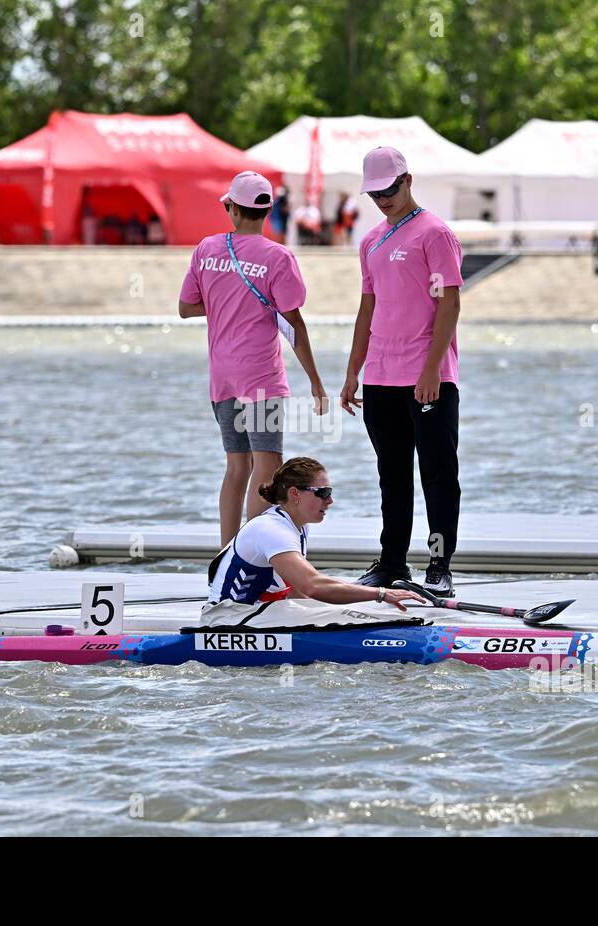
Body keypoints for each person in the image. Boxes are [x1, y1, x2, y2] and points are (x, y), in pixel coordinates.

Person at [179, 171, 328, 547]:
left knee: (236, 467)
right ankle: (256, 554)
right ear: (268, 210)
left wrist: (223, 302)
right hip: (261, 378)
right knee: (268, 468)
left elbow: (185, 308)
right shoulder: (278, 257)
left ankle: (226, 555)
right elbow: (293, 322)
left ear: (231, 208)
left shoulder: (207, 249)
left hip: (222, 378)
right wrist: (315, 381)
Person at [340, 146, 464, 596]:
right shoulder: (370, 240)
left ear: (407, 180)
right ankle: (392, 562)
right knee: (391, 475)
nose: (383, 199)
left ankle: (439, 563)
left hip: (427, 377)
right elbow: (366, 308)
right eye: (374, 193)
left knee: (437, 473)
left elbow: (449, 302)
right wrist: (353, 372)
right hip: (380, 376)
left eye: (389, 189)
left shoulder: (435, 234)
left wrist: (431, 370)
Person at [202, 457, 424, 628]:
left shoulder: (296, 525)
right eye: (323, 493)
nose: (330, 500)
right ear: (294, 493)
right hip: (228, 620)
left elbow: (300, 592)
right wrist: (381, 593)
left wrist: (359, 606)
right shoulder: (271, 529)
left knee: (354, 613)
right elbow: (314, 585)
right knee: (347, 617)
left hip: (257, 613)